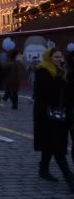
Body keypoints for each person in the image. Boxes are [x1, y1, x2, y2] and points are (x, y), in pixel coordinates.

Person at [34, 48, 74, 192]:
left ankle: (43, 169)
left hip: (60, 114)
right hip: (47, 115)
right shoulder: (42, 70)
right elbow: (45, 92)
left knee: (50, 145)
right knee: (57, 147)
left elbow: (67, 92)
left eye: (60, 56)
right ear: (49, 58)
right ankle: (70, 178)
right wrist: (60, 78)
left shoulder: (62, 71)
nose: (59, 59)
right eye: (56, 57)